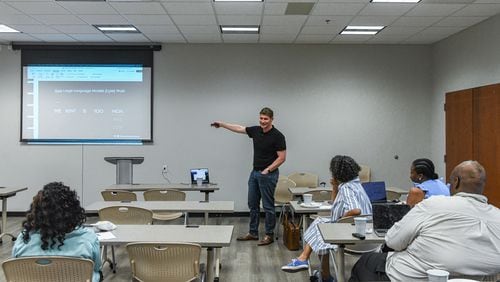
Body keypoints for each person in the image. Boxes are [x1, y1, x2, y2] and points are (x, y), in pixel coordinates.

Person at [350, 160, 500, 281]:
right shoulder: (497, 215)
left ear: (456, 181)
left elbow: (393, 241)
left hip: (411, 276)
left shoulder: (433, 204)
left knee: (367, 261)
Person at [281, 155, 372, 282]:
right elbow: (335, 205)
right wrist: (335, 187)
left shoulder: (347, 188)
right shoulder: (356, 185)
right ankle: (314, 267)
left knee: (322, 228)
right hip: (368, 238)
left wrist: (339, 221)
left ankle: (310, 264)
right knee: (321, 225)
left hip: (353, 237)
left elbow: (356, 210)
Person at [211, 107, 286, 246]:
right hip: (255, 173)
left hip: (268, 175)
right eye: (261, 118)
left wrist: (268, 170)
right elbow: (239, 128)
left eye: (266, 119)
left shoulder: (278, 136)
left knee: (268, 206)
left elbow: (282, 158)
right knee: (253, 204)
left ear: (272, 120)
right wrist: (222, 124)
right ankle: (253, 233)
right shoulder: (256, 131)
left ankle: (269, 234)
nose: (263, 121)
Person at [12, 182, 101, 282]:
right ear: (73, 210)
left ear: (37, 212)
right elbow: (97, 267)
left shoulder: (23, 240)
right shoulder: (88, 239)